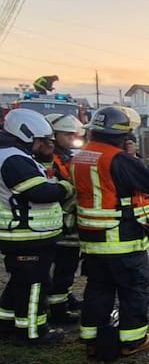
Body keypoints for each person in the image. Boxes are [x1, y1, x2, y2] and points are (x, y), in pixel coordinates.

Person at [71, 106, 149, 358]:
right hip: (120, 239)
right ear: (121, 134)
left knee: (98, 288)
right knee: (134, 288)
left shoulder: (80, 156)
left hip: (91, 239)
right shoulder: (116, 158)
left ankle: (91, 337)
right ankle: (132, 340)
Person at [0, 109, 74, 344]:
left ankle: (6, 321)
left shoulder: (15, 155)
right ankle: (32, 332)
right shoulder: (14, 159)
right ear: (29, 136)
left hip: (24, 233)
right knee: (34, 285)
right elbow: (40, 191)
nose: (48, 145)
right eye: (44, 141)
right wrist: (65, 187)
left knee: (19, 282)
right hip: (25, 234)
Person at [41, 113, 85, 322]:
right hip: (61, 222)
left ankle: (65, 297)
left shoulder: (64, 155)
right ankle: (59, 310)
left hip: (68, 220)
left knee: (67, 266)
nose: (72, 138)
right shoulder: (50, 159)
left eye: (73, 134)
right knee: (64, 267)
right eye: (67, 135)